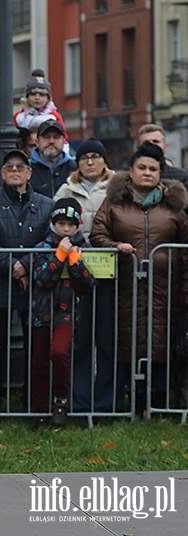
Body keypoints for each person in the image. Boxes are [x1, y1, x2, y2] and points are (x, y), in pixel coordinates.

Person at [90, 143, 188, 414]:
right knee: (126, 341)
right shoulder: (113, 203)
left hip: (165, 287)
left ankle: (157, 402)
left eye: (153, 169)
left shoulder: (175, 208)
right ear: (131, 172)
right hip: (123, 286)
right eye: (142, 168)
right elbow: (97, 235)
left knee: (162, 341)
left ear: (161, 173)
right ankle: (128, 401)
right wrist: (115, 246)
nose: (147, 173)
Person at [0, 149, 53, 414]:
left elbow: (48, 240)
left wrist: (27, 266)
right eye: (9, 167)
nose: (15, 172)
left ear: (29, 173)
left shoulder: (46, 204)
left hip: (34, 286)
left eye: (21, 168)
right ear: (2, 173)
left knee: (36, 347)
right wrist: (14, 267)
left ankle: (33, 402)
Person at [53, 138, 115, 413]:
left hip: (107, 271)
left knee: (106, 338)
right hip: (74, 272)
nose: (90, 162)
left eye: (96, 156)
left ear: (104, 160)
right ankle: (78, 400)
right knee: (78, 340)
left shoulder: (116, 186)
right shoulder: (66, 188)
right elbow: (53, 225)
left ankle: (104, 403)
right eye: (84, 157)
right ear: (77, 162)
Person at [29, 198, 96, 426]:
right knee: (39, 360)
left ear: (77, 225)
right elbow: (42, 279)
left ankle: (61, 401)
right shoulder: (42, 247)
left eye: (70, 224)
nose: (66, 229)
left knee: (59, 352)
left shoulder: (83, 247)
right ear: (53, 224)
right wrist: (59, 257)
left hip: (67, 312)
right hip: (41, 310)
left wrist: (75, 262)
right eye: (61, 224)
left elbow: (89, 284)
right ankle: (39, 407)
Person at [29, 119, 77, 198]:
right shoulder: (26, 169)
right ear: (37, 142)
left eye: (56, 137)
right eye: (46, 137)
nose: (51, 141)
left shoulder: (75, 168)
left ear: (64, 141)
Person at [13, 69, 66, 136]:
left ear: (48, 98)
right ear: (27, 97)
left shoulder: (54, 116)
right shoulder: (19, 117)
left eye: (42, 95)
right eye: (33, 94)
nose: (37, 98)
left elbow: (64, 138)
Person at [136, 124, 188, 191]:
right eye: (146, 142)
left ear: (165, 147)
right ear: (140, 147)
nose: (152, 145)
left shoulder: (181, 177)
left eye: (155, 141)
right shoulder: (129, 179)